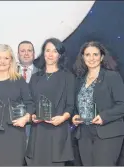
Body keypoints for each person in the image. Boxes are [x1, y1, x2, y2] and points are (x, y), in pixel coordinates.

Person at [72, 41, 124, 166]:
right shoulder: (79, 80)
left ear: (102, 57)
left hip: (108, 132)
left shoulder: (112, 77)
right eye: (87, 55)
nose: (91, 58)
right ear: (82, 57)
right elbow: (78, 105)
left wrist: (103, 116)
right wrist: (75, 116)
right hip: (84, 133)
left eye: (95, 54)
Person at [26, 38, 75, 166]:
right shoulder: (36, 77)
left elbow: (71, 105)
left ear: (60, 54)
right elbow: (29, 102)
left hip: (58, 130)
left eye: (54, 51)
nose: (50, 54)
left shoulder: (68, 77)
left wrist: (63, 118)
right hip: (38, 132)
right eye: (47, 50)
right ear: (43, 53)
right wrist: (32, 115)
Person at [17, 40, 39, 144]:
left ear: (34, 54)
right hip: (14, 123)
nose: (26, 53)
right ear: (18, 54)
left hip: (36, 125)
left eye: (29, 51)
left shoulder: (42, 74)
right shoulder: (9, 73)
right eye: (23, 51)